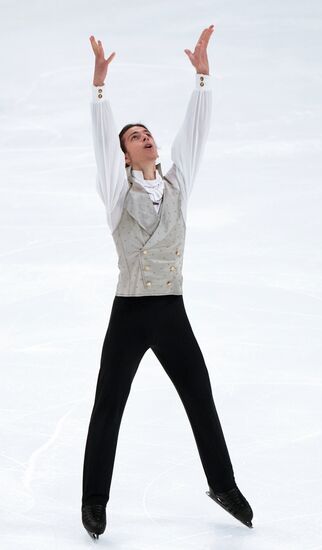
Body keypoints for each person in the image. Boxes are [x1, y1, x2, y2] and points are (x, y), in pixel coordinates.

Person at [81, 25, 254, 540]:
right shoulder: (116, 191)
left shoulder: (178, 182)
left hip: (171, 310)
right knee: (108, 404)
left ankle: (223, 485)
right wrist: (99, 90)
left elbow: (194, 136)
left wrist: (203, 79)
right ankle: (94, 500)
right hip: (131, 311)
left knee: (199, 396)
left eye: (147, 133)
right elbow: (100, 142)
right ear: (125, 155)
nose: (146, 138)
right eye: (134, 137)